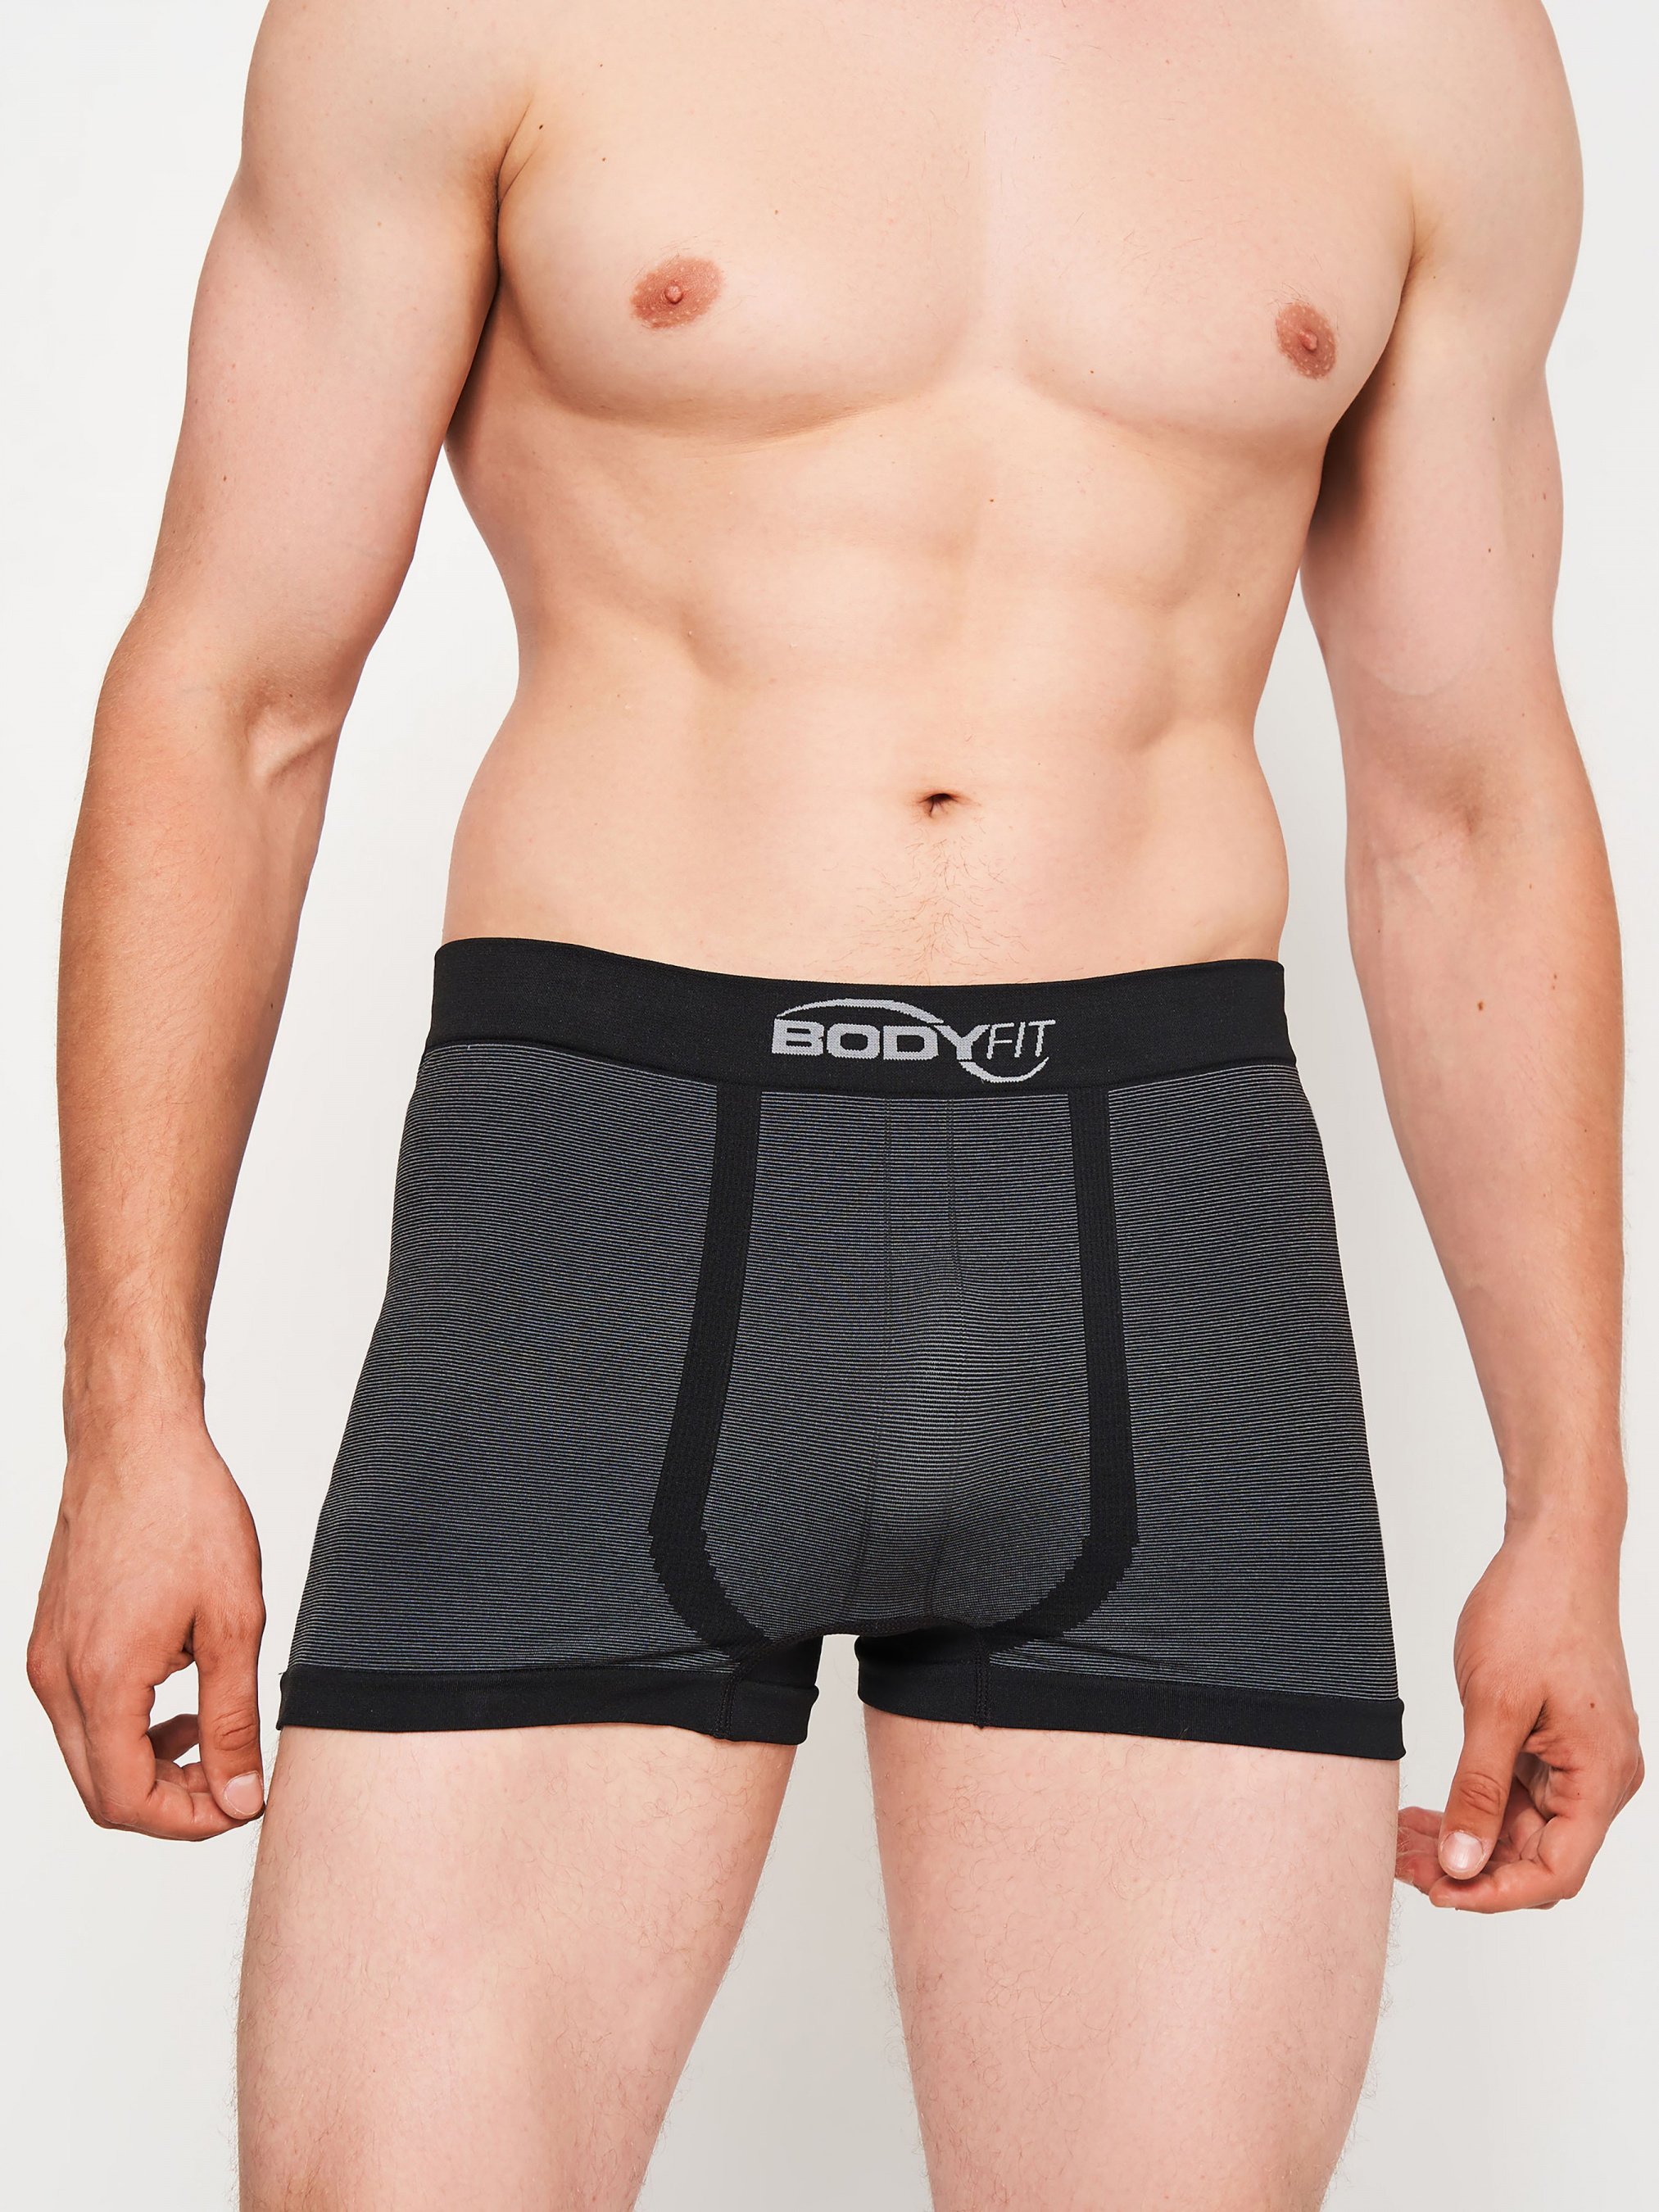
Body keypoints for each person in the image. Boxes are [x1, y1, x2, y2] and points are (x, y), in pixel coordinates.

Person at [26, 0, 1643, 2205]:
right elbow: (232, 699)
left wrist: (1571, 1505)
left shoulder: (1421, 54)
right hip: (597, 1227)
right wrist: (130, 1415)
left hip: (1166, 1250)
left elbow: (1469, 804)